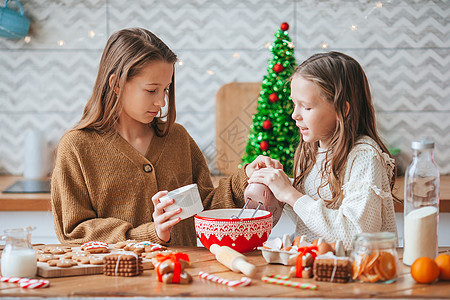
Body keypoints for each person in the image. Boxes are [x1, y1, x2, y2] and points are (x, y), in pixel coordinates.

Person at [51, 27, 281, 246]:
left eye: (166, 90)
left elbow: (203, 206)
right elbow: (74, 231)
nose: (161, 102)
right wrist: (150, 234)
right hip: (116, 281)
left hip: (181, 277)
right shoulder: (77, 147)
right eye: (152, 90)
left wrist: (246, 178)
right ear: (116, 84)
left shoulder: (177, 138)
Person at [248, 52, 398, 249]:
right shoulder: (312, 150)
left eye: (306, 107)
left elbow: (355, 235)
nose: (295, 115)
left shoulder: (364, 156)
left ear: (343, 110)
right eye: (295, 104)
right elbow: (314, 217)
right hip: (318, 269)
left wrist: (290, 194)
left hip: (358, 275)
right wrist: (276, 184)